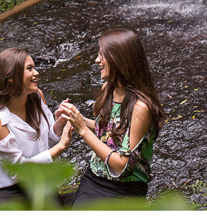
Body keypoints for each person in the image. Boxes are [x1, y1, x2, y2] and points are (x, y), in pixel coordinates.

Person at [57, 29, 165, 205]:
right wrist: (78, 119)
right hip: (95, 177)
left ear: (119, 59)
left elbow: (122, 166)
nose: (96, 60)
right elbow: (108, 130)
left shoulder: (140, 108)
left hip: (125, 188)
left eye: (102, 55)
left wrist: (83, 131)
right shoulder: (108, 89)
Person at [0, 48, 73, 204]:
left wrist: (59, 124)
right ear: (11, 77)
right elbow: (18, 170)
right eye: (29, 68)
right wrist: (61, 147)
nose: (37, 72)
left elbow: (46, 143)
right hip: (9, 189)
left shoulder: (36, 96)